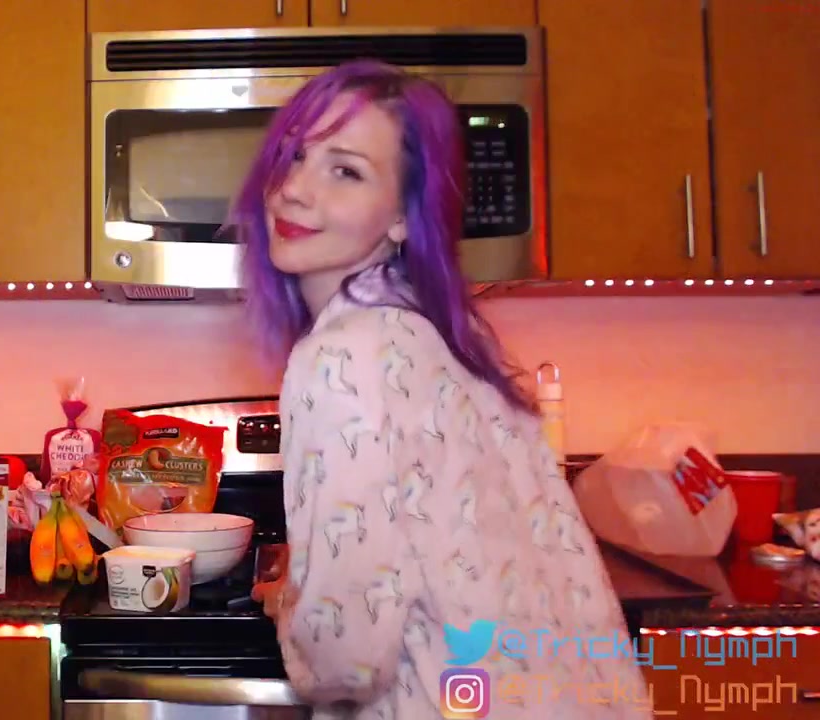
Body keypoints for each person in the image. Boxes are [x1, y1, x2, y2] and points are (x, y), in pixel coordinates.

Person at [233, 60, 652, 719]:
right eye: (294, 155)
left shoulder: (342, 356)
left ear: (403, 215)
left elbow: (349, 659)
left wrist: (291, 609)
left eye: (346, 171)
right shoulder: (450, 340)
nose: (294, 190)